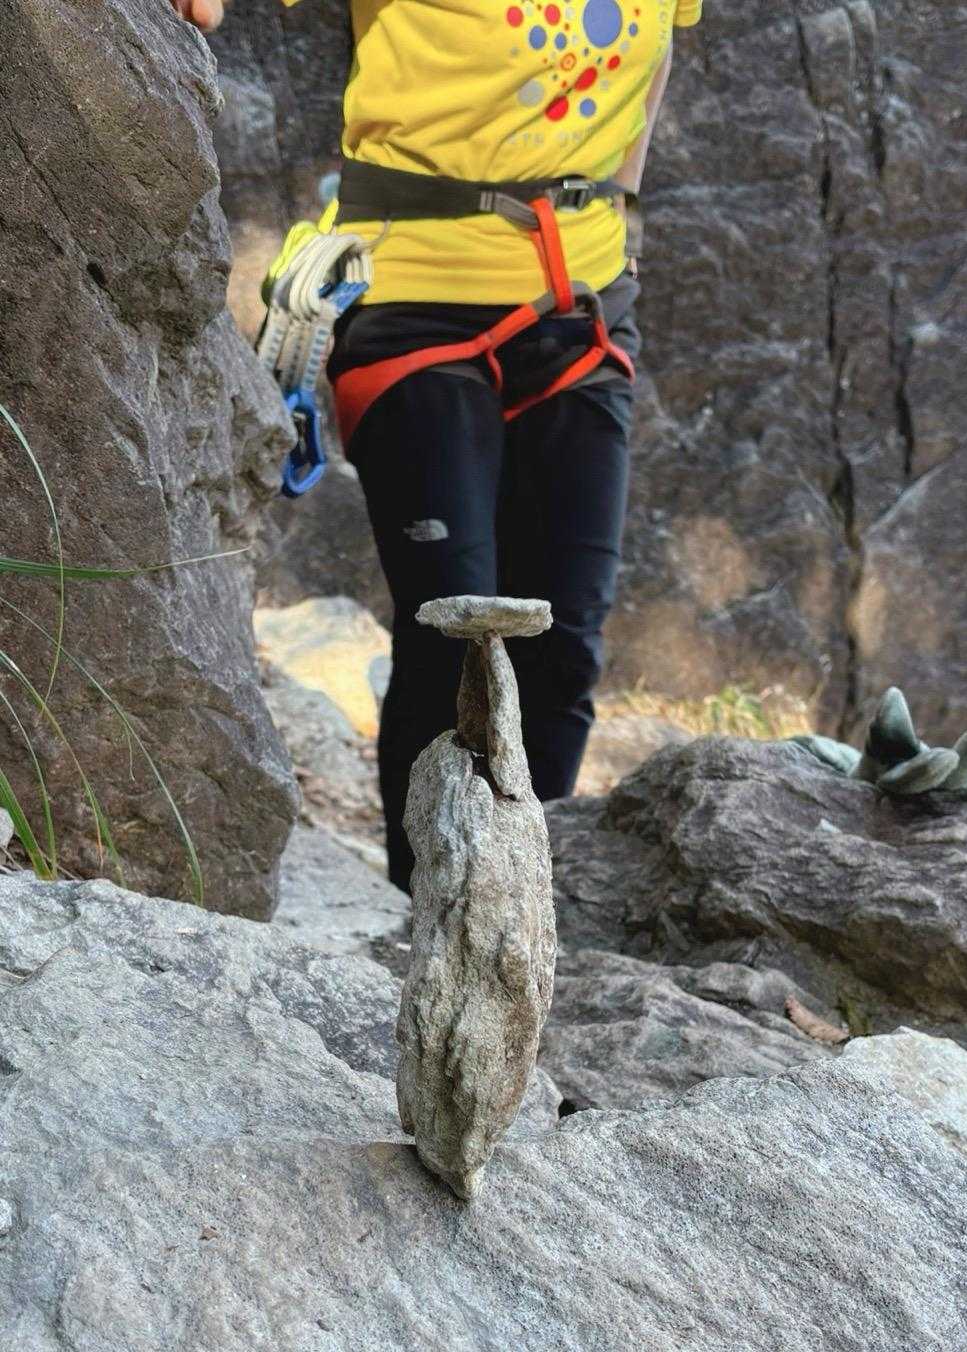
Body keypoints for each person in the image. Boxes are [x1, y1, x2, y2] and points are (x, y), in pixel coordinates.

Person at [176, 0, 703, 892]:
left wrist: (621, 209)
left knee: (563, 647)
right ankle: (428, 919)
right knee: (458, 639)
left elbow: (652, 65)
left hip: (580, 303)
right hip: (413, 299)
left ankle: (520, 914)